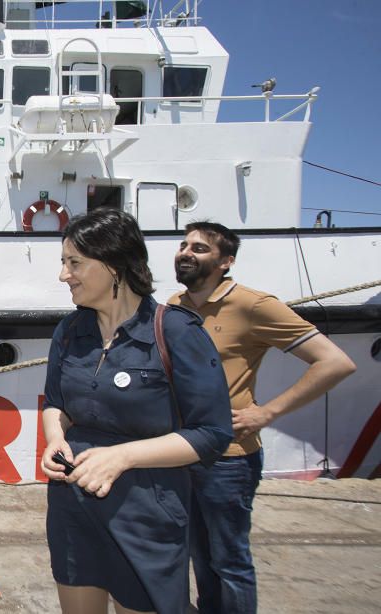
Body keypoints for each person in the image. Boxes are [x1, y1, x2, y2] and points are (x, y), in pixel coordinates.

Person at [41, 208, 233, 614]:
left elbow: (213, 433)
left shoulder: (177, 332)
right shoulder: (70, 331)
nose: (64, 275)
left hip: (146, 513)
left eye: (74, 263)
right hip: (73, 508)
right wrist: (55, 438)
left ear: (113, 265)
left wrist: (122, 457)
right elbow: (56, 403)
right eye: (63, 263)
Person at [169, 221, 356, 614]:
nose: (186, 253)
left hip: (229, 459)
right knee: (199, 560)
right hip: (182, 453)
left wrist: (267, 412)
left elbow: (335, 362)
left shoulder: (253, 305)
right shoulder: (174, 306)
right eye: (184, 245)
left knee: (229, 562)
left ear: (226, 262)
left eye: (200, 249)